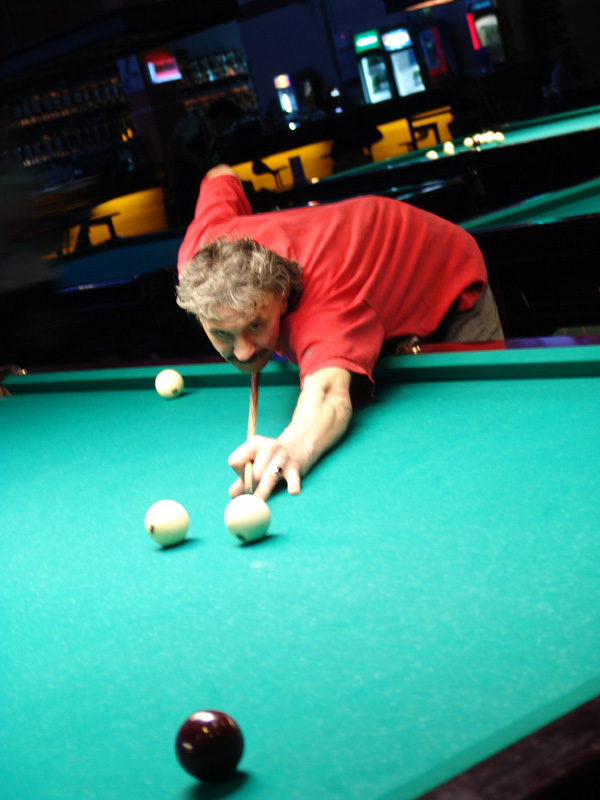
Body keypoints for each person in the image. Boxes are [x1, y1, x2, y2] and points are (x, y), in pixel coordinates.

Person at [176, 164, 503, 502]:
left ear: (282, 296)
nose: (243, 352)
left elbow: (329, 393)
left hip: (442, 269)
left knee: (484, 423)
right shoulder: (197, 256)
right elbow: (220, 174)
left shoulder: (327, 306)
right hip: (360, 275)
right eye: (222, 333)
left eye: (255, 325)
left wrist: (294, 445)